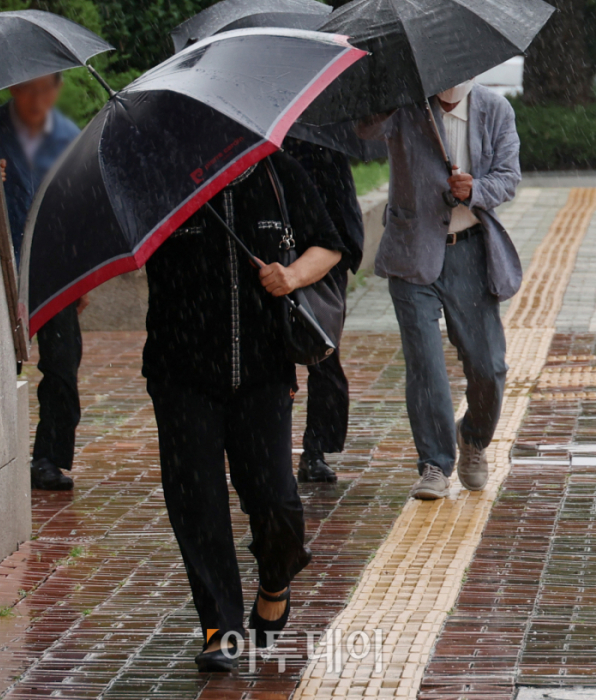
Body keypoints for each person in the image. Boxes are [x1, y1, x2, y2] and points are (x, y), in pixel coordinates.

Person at [143, 153, 345, 672]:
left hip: (263, 374)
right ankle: (221, 628)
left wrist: (292, 275)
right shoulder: (165, 181)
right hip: (181, 372)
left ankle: (275, 578)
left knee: (277, 499)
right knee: (198, 504)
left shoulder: (278, 174)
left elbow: (329, 245)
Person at [357, 80, 521, 500]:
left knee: (489, 366)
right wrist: (385, 91)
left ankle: (474, 439)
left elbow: (508, 177)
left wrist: (476, 190)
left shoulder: (494, 110)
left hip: (469, 253)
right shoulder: (406, 108)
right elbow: (364, 130)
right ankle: (434, 463)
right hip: (412, 255)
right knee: (426, 365)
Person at [0, 73, 88, 491]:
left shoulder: (69, 137)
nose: (35, 97)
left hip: (53, 269)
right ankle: (2, 451)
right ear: (11, 88)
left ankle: (49, 458)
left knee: (63, 366)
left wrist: (83, 274)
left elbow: (80, 207)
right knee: (2, 365)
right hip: (3, 269)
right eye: (26, 87)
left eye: (44, 88)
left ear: (57, 89)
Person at [283, 138, 364, 483]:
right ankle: (269, 449)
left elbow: (345, 220)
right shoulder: (256, 150)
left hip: (322, 266)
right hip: (271, 261)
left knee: (323, 353)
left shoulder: (326, 144)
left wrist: (333, 260)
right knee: (274, 362)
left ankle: (315, 449)